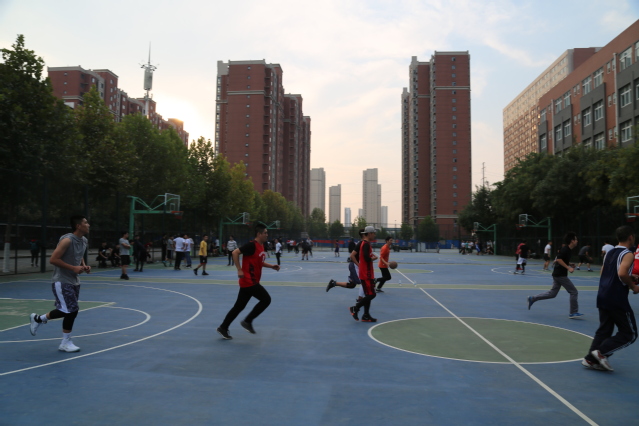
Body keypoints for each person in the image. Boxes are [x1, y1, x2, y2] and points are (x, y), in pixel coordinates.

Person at [29, 215, 90, 352]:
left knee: (66, 310)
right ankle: (65, 342)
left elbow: (79, 255)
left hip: (74, 280)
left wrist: (84, 266)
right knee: (72, 310)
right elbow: (53, 259)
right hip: (61, 280)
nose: (88, 225)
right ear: (78, 226)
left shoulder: (84, 240)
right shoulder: (67, 240)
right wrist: (73, 268)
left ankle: (38, 319)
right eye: (86, 222)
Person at [582, 225, 639, 371]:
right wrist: (633, 286)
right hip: (617, 297)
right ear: (631, 237)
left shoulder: (610, 252)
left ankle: (590, 359)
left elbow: (604, 272)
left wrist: (629, 277)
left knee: (604, 330)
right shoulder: (628, 254)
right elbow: (621, 273)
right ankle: (601, 353)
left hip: (603, 294)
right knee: (630, 334)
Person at [217, 224, 280, 339]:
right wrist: (239, 269)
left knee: (239, 307)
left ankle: (223, 327)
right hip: (249, 281)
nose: (267, 235)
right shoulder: (251, 245)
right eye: (265, 233)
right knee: (266, 299)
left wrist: (272, 266)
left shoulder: (261, 246)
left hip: (250, 281)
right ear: (259, 234)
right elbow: (235, 252)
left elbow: (259, 262)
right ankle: (247, 321)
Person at [527, 232, 583, 318]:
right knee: (573, 292)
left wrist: (569, 263)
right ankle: (573, 312)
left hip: (557, 274)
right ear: (572, 241)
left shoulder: (568, 250)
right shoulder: (565, 249)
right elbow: (559, 259)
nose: (577, 241)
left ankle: (532, 298)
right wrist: (568, 268)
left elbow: (559, 259)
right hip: (560, 275)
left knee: (552, 293)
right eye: (576, 239)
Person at [350, 226, 378, 322]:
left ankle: (366, 315)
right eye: (373, 233)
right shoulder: (366, 244)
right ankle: (355, 308)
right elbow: (366, 258)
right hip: (366, 274)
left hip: (365, 272)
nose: (374, 235)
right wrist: (373, 258)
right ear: (369, 234)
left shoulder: (363, 243)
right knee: (372, 294)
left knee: (368, 294)